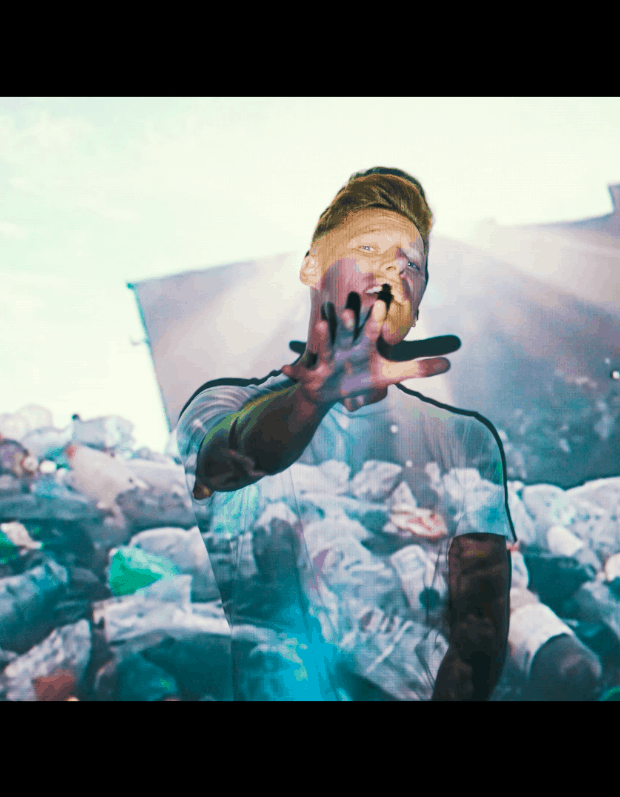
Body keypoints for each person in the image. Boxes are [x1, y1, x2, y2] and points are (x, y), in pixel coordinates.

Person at [177, 168, 513, 701]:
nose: (391, 272)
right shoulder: (223, 406)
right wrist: (312, 399)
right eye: (368, 248)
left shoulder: (468, 440)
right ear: (312, 267)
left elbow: (480, 633)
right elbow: (224, 462)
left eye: (411, 265)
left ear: (419, 304)